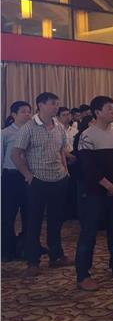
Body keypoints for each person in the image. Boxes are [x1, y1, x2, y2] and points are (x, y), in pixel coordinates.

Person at [11, 92, 72, 277]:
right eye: (52, 103)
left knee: (56, 220)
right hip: (38, 181)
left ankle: (56, 255)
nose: (56, 107)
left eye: (57, 103)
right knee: (34, 222)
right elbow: (15, 154)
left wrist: (65, 170)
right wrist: (28, 175)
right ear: (40, 105)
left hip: (59, 179)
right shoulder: (29, 128)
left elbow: (61, 150)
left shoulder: (59, 126)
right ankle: (33, 261)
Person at [75, 96, 113, 291]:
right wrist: (108, 186)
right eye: (109, 108)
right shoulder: (87, 135)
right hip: (94, 192)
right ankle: (83, 274)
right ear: (97, 112)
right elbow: (89, 168)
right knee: (89, 233)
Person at [2, 101, 32, 262]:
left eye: (29, 111)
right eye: (23, 112)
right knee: (8, 216)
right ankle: (7, 249)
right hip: (11, 177)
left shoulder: (32, 131)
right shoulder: (5, 133)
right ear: (14, 115)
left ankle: (27, 247)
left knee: (30, 214)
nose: (27, 114)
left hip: (29, 177)